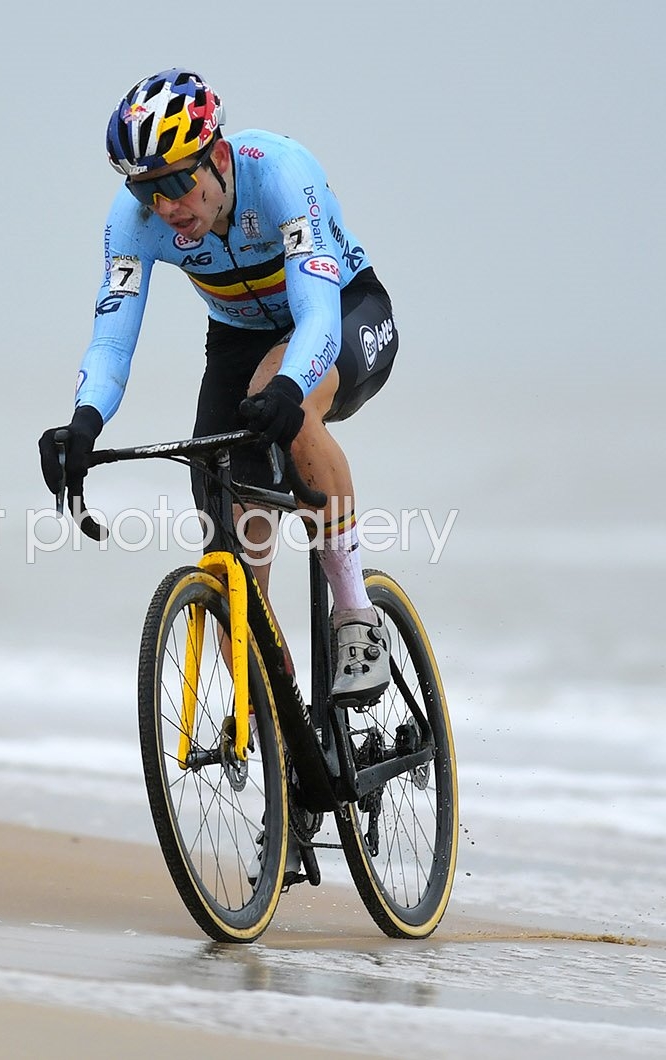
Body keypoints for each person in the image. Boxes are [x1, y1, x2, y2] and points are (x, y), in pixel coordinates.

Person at [38, 68, 400, 705]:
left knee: (282, 398)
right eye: (148, 190)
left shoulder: (281, 172)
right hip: (238, 335)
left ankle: (354, 616)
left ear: (221, 158)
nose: (167, 206)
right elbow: (113, 339)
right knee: (225, 530)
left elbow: (313, 313)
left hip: (340, 309)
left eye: (179, 181)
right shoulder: (135, 222)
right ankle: (278, 715)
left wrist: (290, 388)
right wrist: (85, 421)